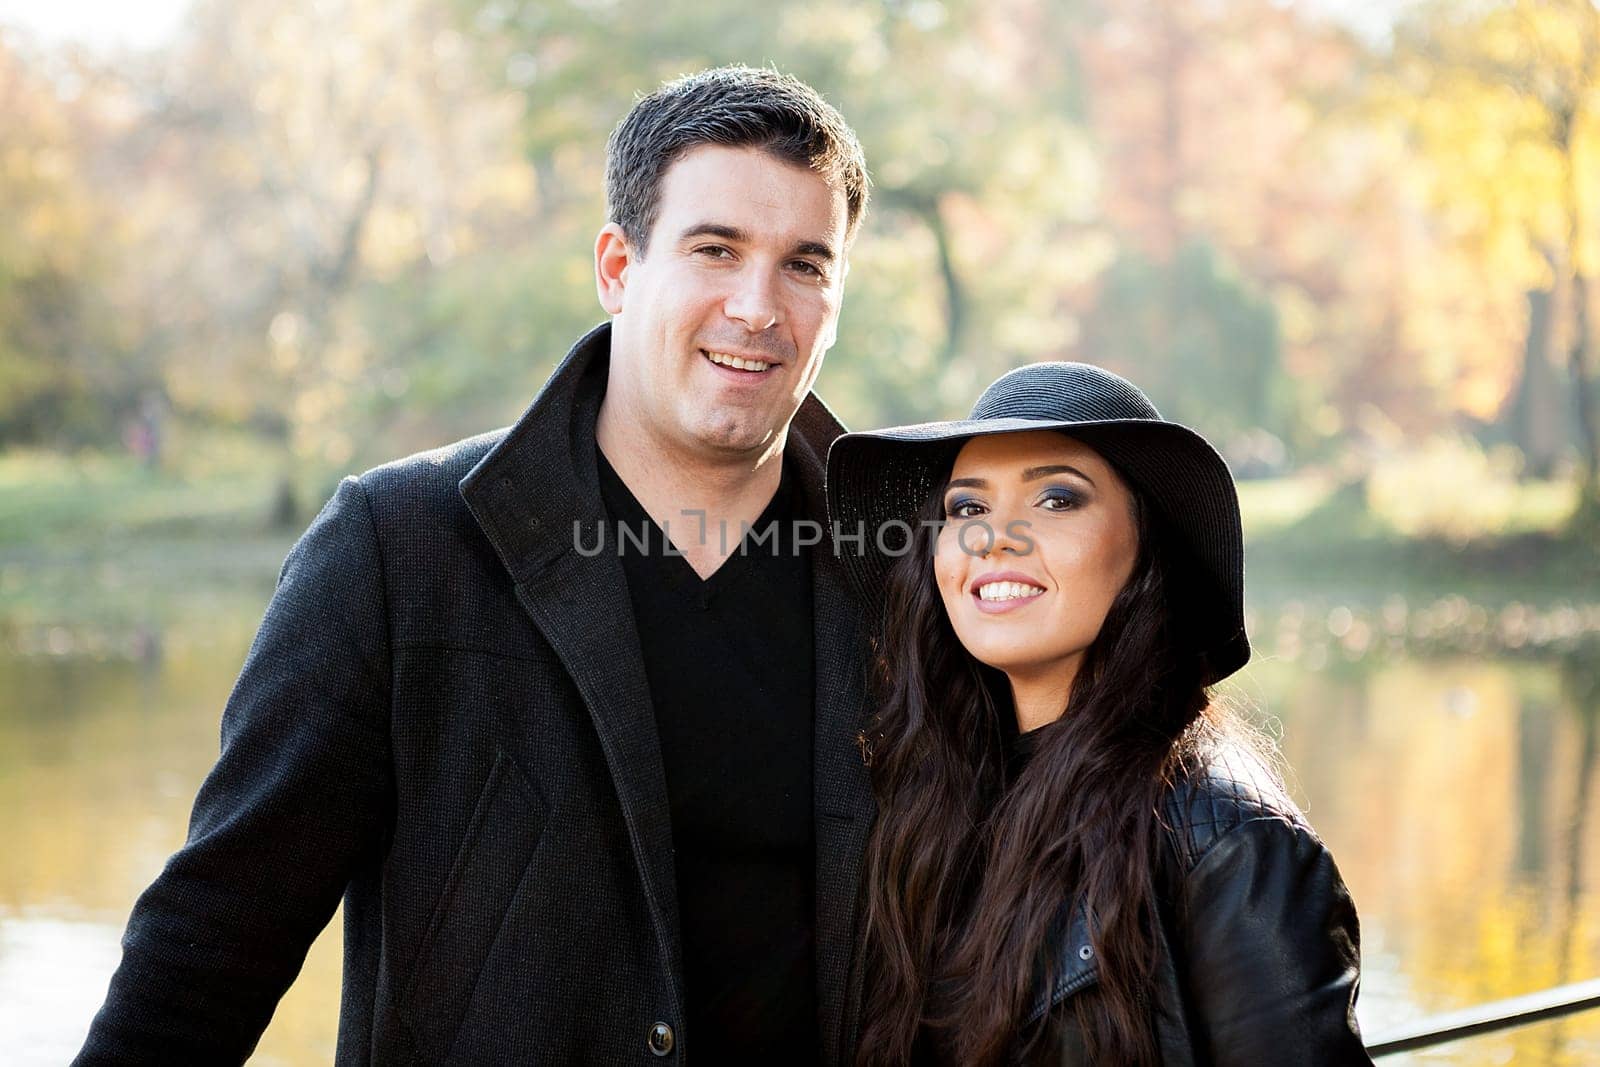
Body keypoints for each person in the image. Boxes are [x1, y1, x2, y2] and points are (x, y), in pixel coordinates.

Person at [76, 66, 875, 1066]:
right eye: (715, 249)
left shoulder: (899, 574)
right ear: (617, 267)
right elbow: (210, 944)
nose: (757, 306)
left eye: (805, 265)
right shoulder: (399, 547)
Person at [826, 362, 1372, 1066]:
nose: (996, 538)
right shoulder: (929, 801)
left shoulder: (1231, 848)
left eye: (1055, 499)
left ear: (1148, 545)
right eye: (966, 508)